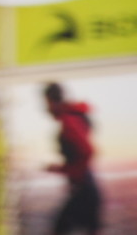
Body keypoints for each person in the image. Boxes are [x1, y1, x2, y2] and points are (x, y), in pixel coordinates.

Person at [43, 82, 102, 235]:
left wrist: (68, 170)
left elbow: (87, 151)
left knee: (59, 229)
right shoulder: (72, 116)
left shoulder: (68, 120)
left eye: (47, 103)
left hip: (84, 190)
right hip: (87, 189)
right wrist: (63, 169)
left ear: (53, 101)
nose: (46, 108)